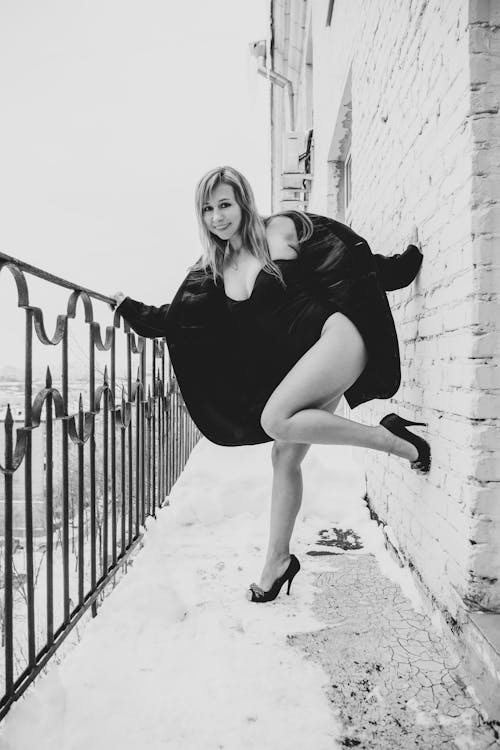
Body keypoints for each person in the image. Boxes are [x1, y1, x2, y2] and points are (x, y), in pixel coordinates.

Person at [112, 165, 430, 604]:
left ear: (243, 201)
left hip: (336, 338)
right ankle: (277, 561)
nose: (217, 217)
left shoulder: (279, 230)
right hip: (308, 363)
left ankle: (389, 439)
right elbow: (181, 318)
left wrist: (399, 269)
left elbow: (343, 262)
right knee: (284, 456)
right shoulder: (214, 268)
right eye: (208, 209)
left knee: (277, 419)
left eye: (225, 204)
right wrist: (132, 309)